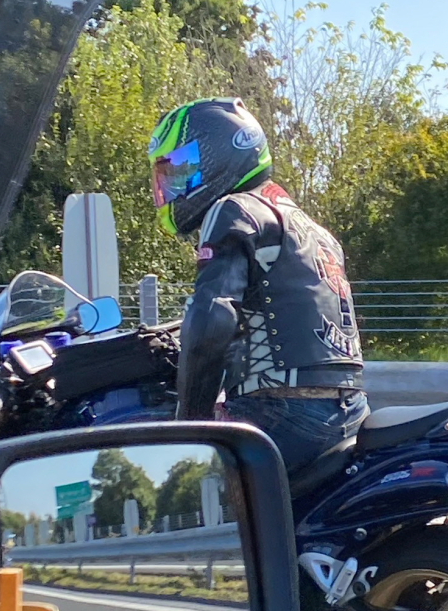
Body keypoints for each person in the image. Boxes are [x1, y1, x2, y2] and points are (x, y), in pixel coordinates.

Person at [149, 96, 369, 475]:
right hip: (350, 410)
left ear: (217, 157)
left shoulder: (235, 208)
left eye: (181, 170)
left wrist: (189, 422)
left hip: (282, 412)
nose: (173, 185)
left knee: (176, 484)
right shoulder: (312, 228)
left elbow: (212, 319)